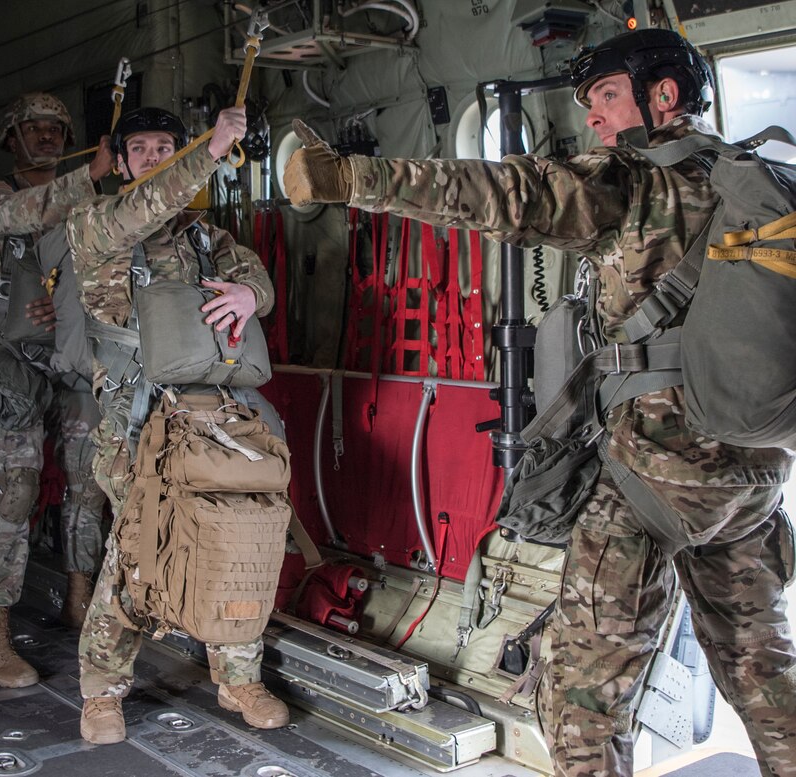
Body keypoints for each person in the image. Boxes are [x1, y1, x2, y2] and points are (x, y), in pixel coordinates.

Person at [284, 27, 795, 777]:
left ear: (665, 96)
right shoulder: (763, 183)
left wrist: (349, 178)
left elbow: (494, 194)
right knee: (763, 669)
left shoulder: (629, 181)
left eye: (608, 95)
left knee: (579, 697)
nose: (593, 117)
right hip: (753, 473)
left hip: (653, 479)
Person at [66, 105, 289, 746]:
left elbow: (255, 278)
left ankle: (238, 676)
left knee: (234, 531)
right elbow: (149, 203)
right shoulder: (100, 225)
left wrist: (251, 296)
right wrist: (211, 148)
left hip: (212, 416)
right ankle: (102, 690)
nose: (158, 158)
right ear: (122, 161)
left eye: (168, 146)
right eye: (142, 150)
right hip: (136, 420)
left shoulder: (205, 236)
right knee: (140, 547)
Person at [0, 92, 112, 688]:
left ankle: (78, 597)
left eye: (57, 129)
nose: (48, 137)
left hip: (69, 356)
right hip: (7, 358)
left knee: (87, 481)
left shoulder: (82, 197)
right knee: (16, 490)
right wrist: (90, 176)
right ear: (11, 138)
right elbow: (15, 216)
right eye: (36, 129)